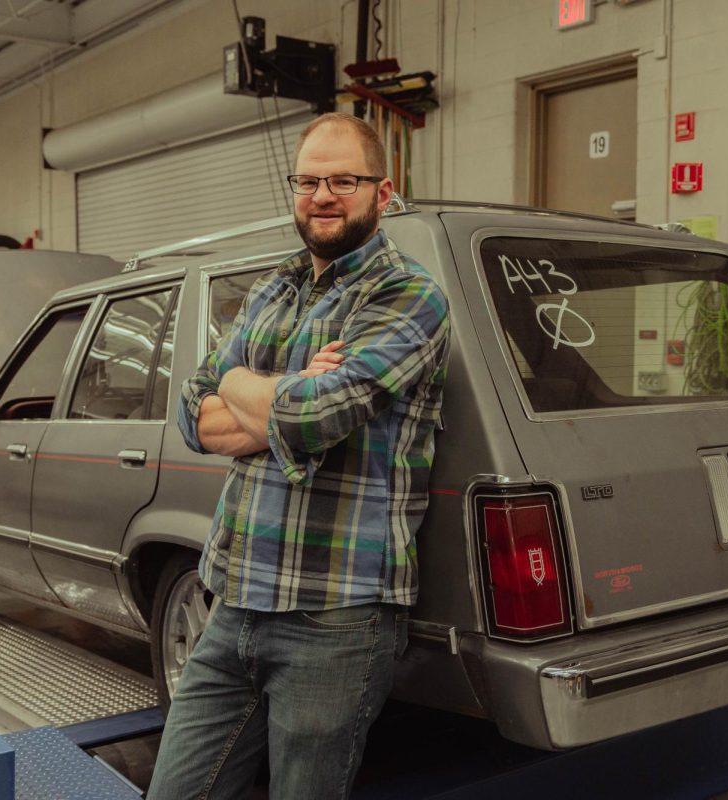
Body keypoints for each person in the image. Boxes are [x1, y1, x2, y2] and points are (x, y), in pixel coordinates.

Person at [147, 112, 450, 800]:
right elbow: (193, 413)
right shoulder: (272, 289)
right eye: (309, 180)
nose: (323, 195)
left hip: (335, 617)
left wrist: (253, 389)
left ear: (383, 190)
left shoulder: (406, 295)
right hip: (232, 599)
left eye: (344, 179)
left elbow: (317, 420)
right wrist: (274, 388)